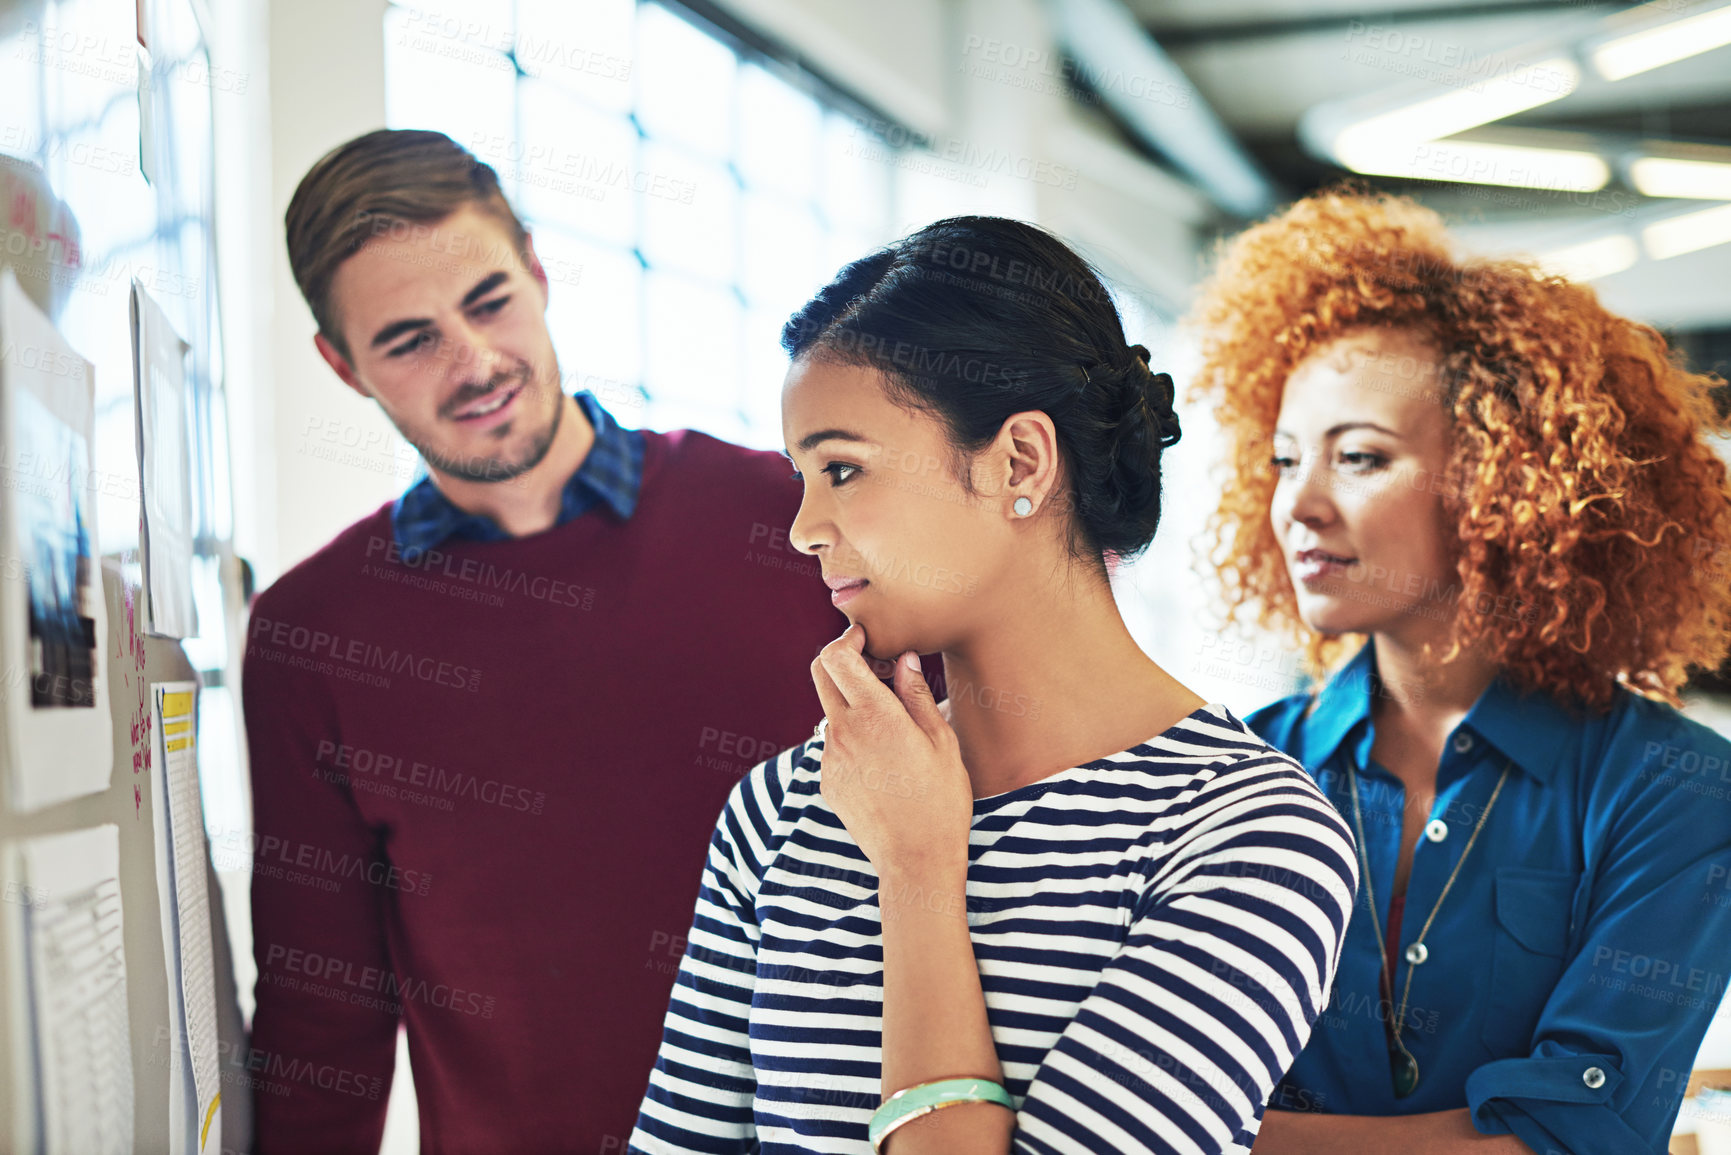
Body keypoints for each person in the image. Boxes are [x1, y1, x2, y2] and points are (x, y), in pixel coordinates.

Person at [243, 128, 921, 1153]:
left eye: (488, 301)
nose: (475, 363)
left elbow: (983, 833)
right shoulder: (315, 634)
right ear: (343, 367)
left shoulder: (790, 521)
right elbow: (321, 1031)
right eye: (408, 340)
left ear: (538, 269)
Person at [627, 216, 1359, 1155]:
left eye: (842, 469)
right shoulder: (782, 805)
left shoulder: (1248, 835)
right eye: (801, 477)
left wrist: (919, 866)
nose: (803, 528)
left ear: (1019, 461)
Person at [1186, 186, 1731, 1155]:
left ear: (1500, 483)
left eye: (1357, 456)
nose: (1298, 504)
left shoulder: (1675, 789)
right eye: (1280, 459)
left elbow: (1573, 1138)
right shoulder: (1233, 769)